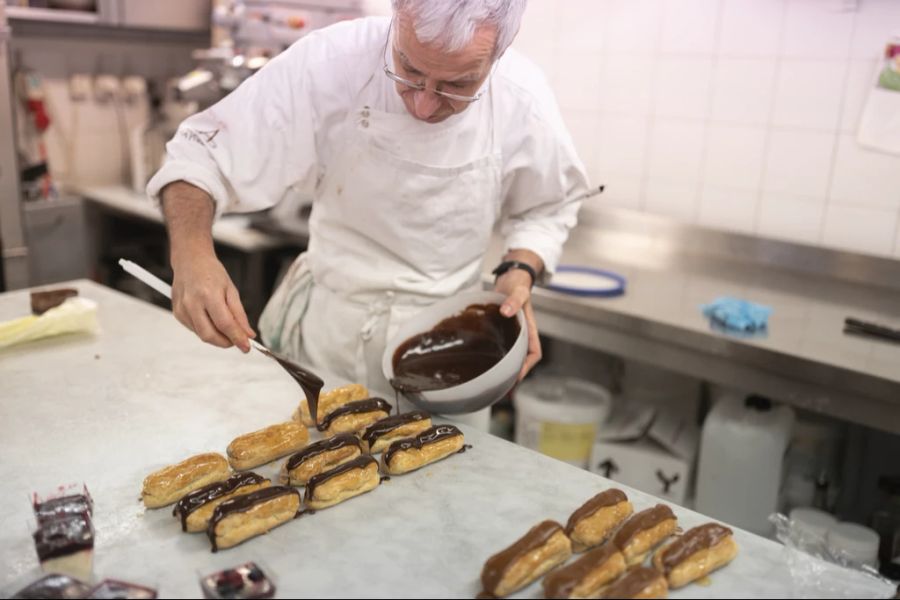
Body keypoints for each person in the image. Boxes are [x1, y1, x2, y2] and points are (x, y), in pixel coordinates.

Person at [147, 0, 589, 430]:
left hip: (454, 363)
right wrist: (191, 255)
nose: (423, 105)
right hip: (324, 346)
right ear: (396, 18)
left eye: (456, 86)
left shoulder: (521, 98)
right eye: (409, 71)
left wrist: (520, 268)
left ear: (499, 54)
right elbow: (201, 155)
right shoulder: (332, 62)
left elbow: (548, 205)